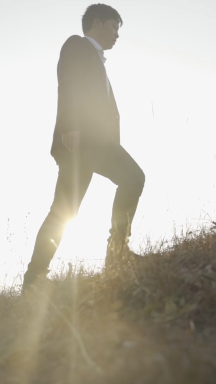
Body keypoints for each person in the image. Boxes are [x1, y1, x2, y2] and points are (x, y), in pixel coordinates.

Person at [23, 4, 145, 290]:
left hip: (98, 142)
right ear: (98, 23)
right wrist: (71, 126)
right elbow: (68, 83)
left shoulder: (97, 59)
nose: (117, 34)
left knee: (129, 180)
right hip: (82, 140)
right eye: (115, 27)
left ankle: (116, 253)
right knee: (66, 210)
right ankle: (35, 278)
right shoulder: (77, 45)